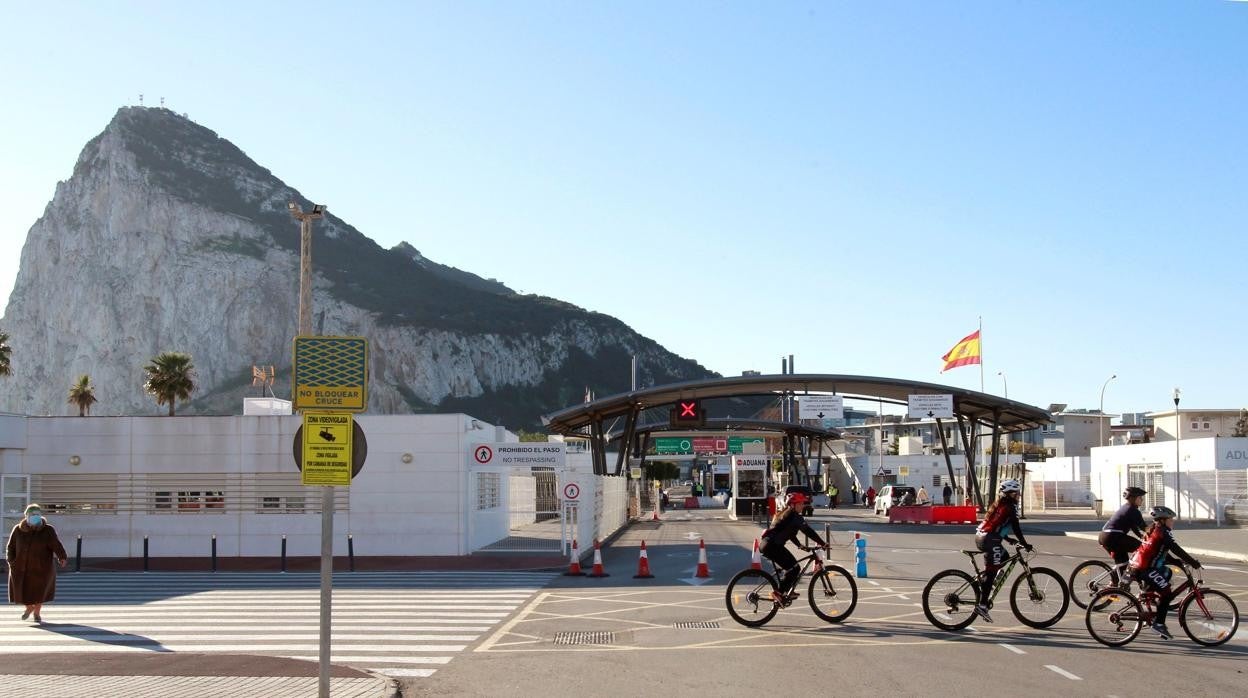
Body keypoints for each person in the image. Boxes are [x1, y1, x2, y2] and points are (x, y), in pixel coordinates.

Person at [1128, 505, 1201, 640]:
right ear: (1162, 520)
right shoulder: (1162, 532)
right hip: (1145, 569)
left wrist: (1177, 562)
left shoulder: (1156, 529)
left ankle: (1147, 597)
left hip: (1143, 566)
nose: (1172, 521)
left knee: (1167, 572)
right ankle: (1159, 624)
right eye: (1170, 519)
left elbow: (1160, 551)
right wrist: (1192, 562)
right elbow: (1175, 548)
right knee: (1166, 592)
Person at [972, 479, 1032, 623]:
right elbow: (1016, 527)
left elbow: (996, 525)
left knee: (1004, 556)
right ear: (1011, 493)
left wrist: (1007, 539)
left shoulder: (1000, 504)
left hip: (983, 537)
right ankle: (982, 605)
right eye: (1017, 493)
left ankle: (985, 580)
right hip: (989, 540)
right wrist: (1025, 544)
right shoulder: (1010, 507)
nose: (1019, 495)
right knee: (992, 572)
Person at [760, 492, 826, 605]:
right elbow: (807, 530)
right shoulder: (794, 516)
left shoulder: (786, 514)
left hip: (768, 545)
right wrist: (822, 543)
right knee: (794, 568)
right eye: (800, 503)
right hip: (772, 546)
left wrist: (799, 545)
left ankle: (786, 591)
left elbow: (790, 533)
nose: (803, 506)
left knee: (792, 567)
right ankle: (779, 593)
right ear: (793, 505)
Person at [6, 503, 68, 623]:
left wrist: (62, 557)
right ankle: (29, 607)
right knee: (22, 591)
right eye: (32, 514)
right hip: (20, 567)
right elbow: (11, 547)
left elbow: (56, 545)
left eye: (37, 514)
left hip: (41, 567)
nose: (35, 516)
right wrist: (11, 560)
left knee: (40, 591)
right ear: (26, 516)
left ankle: (37, 613)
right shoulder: (18, 530)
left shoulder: (48, 530)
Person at [1099, 487, 1147, 566]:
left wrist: (1141, 536)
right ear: (1132, 498)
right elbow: (1144, 528)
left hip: (1105, 537)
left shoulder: (1126, 507)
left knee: (1123, 565)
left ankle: (1115, 578)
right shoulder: (1133, 510)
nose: (1142, 499)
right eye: (1140, 497)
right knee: (1142, 548)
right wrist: (1159, 527)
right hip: (1113, 537)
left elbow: (1133, 526)